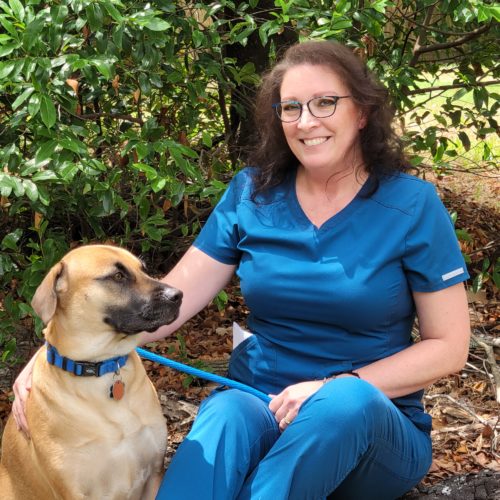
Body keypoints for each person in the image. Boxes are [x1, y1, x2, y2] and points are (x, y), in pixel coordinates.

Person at [13, 40, 471, 499]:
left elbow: (448, 347)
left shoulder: (412, 205)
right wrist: (53, 358)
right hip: (260, 406)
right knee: (226, 412)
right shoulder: (252, 193)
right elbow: (167, 302)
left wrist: (334, 386)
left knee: (342, 403)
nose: (306, 121)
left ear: (363, 112)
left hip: (371, 424)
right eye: (290, 107)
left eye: (325, 102)